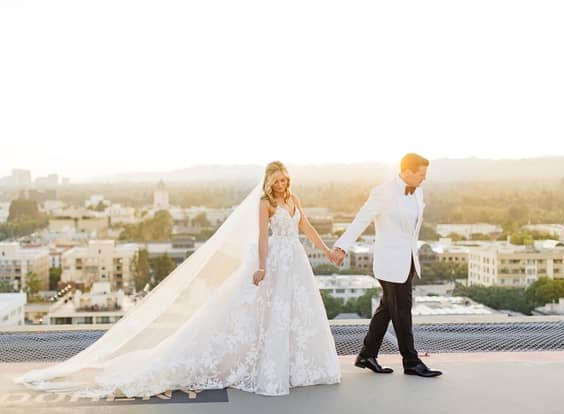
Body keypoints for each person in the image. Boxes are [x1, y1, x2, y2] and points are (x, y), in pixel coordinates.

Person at [14, 161, 341, 397]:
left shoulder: (293, 201)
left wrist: (326, 251)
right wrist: (262, 266)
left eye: (285, 180)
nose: (282, 185)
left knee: (297, 314)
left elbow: (307, 228)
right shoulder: (264, 203)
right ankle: (264, 366)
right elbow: (262, 238)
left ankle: (297, 367)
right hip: (275, 263)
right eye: (277, 181)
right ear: (269, 182)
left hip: (296, 261)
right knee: (265, 312)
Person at [330, 153, 443, 378]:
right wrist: (342, 247)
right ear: (407, 171)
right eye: (421, 174)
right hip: (390, 263)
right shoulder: (382, 193)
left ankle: (367, 354)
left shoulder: (417, 191)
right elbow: (360, 220)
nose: (424, 179)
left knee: (386, 310)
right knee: (402, 312)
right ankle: (411, 362)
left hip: (408, 260)